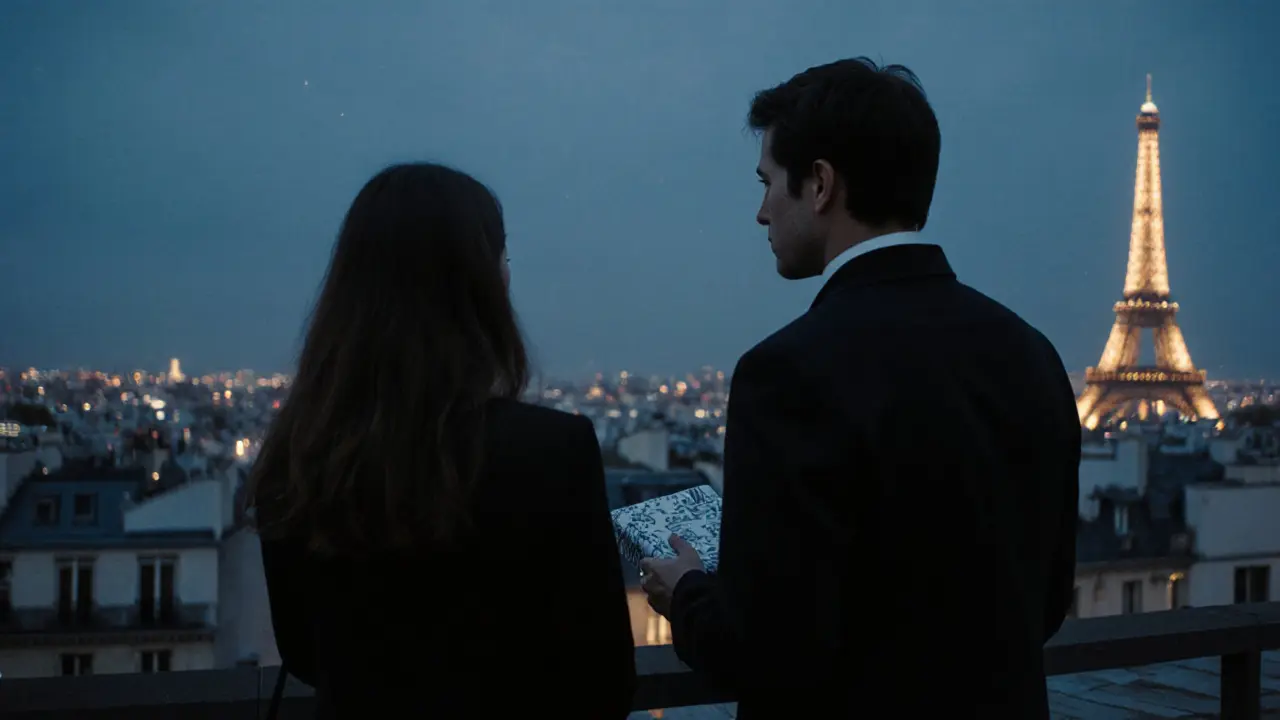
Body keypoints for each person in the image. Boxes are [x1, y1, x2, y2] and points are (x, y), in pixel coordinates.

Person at [639, 58, 1081, 718]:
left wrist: (691, 594)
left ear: (819, 183)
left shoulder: (789, 372)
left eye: (768, 183)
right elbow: (1043, 605)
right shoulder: (1030, 352)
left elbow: (767, 649)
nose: (761, 212)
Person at [244, 163, 636, 718]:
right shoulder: (551, 452)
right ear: (482, 284)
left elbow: (307, 655)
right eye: (503, 259)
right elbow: (604, 681)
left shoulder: (297, 461)